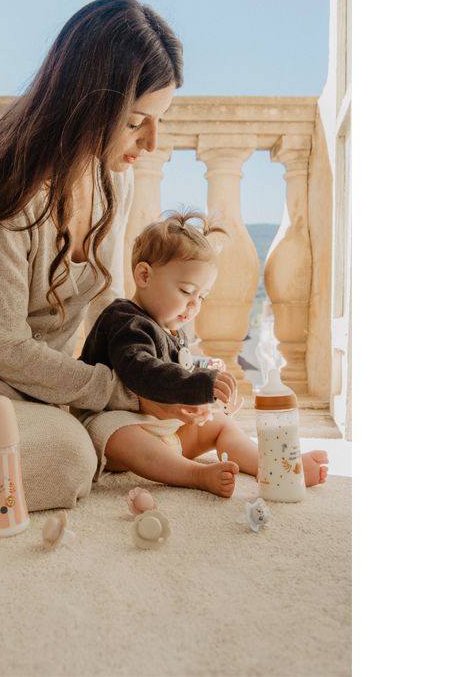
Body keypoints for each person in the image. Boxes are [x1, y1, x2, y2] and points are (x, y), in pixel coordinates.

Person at [0, 0, 210, 532]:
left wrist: (155, 375)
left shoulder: (115, 180)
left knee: (69, 456)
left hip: (29, 386)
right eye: (136, 122)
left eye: (159, 121)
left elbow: (108, 309)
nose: (152, 142)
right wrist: (124, 392)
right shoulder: (9, 186)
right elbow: (5, 346)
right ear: (90, 103)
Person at [77, 211, 329, 497]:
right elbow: (143, 372)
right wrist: (199, 384)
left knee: (219, 424)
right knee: (115, 432)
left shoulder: (170, 327)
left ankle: (272, 466)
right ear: (144, 275)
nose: (194, 305)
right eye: (186, 291)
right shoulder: (125, 320)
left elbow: (177, 370)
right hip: (114, 431)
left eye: (202, 297)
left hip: (160, 429)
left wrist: (208, 383)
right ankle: (193, 474)